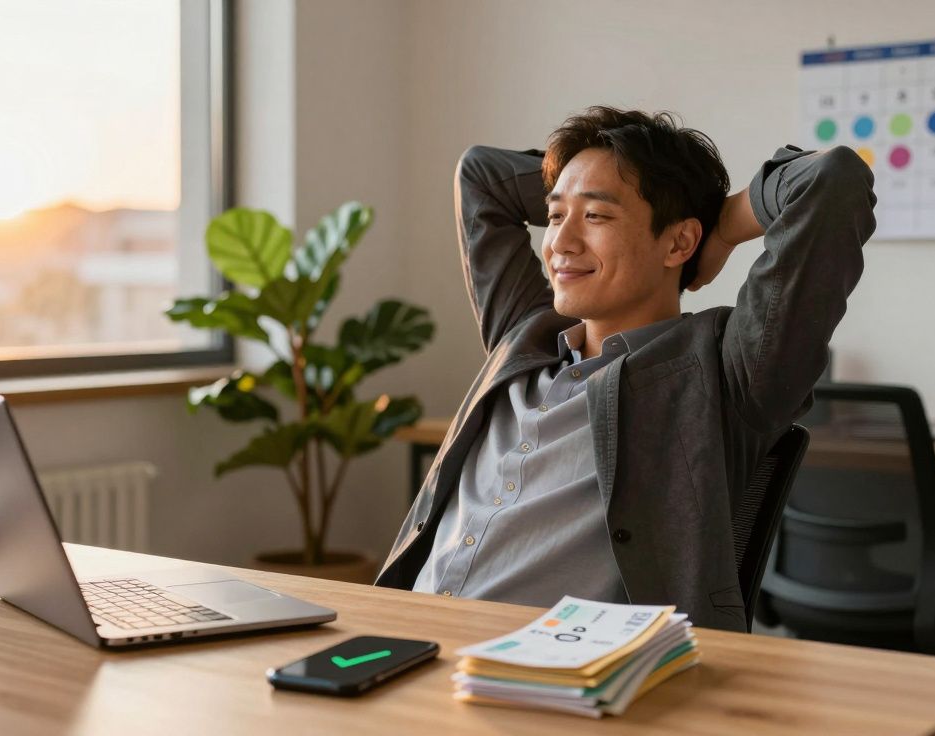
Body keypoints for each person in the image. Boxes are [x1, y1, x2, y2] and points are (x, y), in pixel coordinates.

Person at [374, 106, 876, 632]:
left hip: (550, 682)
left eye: (595, 217)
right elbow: (482, 173)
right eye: (554, 215)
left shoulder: (725, 373)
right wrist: (584, 192)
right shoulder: (524, 336)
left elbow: (832, 179)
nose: (560, 243)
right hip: (404, 637)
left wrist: (721, 226)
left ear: (680, 242)